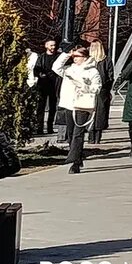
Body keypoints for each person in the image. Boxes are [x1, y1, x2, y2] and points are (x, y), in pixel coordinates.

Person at [52, 44, 101, 173]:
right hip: (69, 104)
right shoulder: (69, 69)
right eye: (74, 56)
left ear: (85, 57)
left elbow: (97, 87)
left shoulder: (92, 71)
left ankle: (74, 162)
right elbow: (56, 67)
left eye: (78, 56)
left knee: (78, 133)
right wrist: (66, 55)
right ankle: (78, 158)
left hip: (83, 105)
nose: (75, 59)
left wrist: (84, 87)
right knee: (70, 133)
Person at [88, 40, 115, 144]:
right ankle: (90, 135)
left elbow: (110, 76)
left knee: (100, 113)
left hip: (102, 91)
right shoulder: (88, 61)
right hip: (89, 90)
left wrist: (105, 86)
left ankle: (97, 136)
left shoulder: (106, 60)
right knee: (90, 112)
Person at [32, 39, 61, 136]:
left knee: (53, 107)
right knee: (41, 107)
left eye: (54, 45)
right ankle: (39, 127)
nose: (53, 47)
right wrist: (40, 74)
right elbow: (36, 69)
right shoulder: (42, 57)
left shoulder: (58, 56)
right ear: (46, 46)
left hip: (54, 84)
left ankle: (50, 127)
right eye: (51, 45)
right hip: (43, 84)